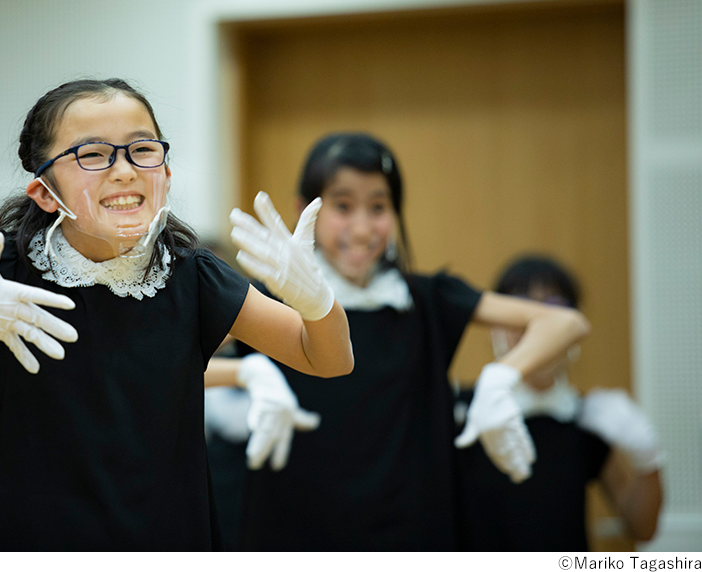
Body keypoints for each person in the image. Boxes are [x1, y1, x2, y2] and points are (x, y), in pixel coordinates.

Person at [0, 78, 355, 551]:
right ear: (44, 191)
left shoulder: (192, 275)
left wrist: (317, 302)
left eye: (142, 149)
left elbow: (325, 360)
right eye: (92, 154)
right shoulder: (7, 260)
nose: (123, 169)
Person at [234, 132, 591, 551]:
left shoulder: (426, 299)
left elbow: (564, 323)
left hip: (411, 535)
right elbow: (178, 354)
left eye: (379, 208)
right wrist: (242, 372)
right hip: (295, 534)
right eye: (343, 206)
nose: (363, 228)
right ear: (305, 210)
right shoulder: (271, 300)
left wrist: (501, 378)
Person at [454, 255, 664, 550]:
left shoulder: (589, 419)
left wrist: (649, 459)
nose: (537, 324)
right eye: (521, 309)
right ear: (495, 325)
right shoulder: (461, 413)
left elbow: (642, 527)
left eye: (553, 307)